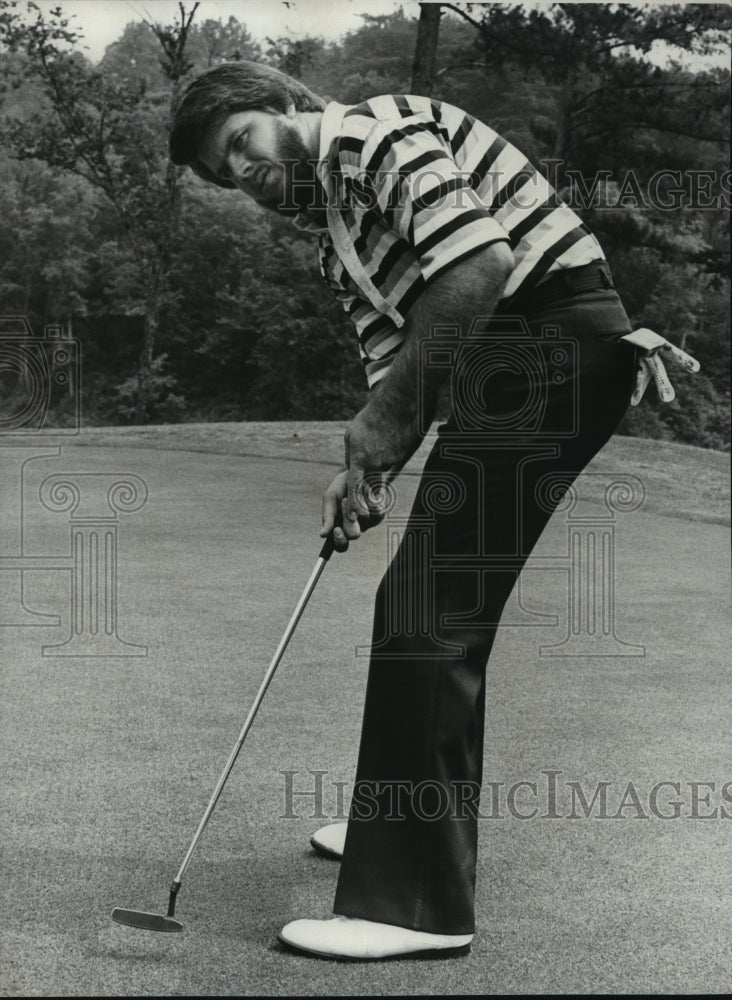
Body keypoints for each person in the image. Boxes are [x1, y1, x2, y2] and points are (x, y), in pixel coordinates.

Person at [169, 61, 699, 961]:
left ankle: (415, 903)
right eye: (229, 177)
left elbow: (478, 260)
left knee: (431, 611)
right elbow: (399, 366)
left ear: (286, 104)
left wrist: (384, 423)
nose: (248, 177)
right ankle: (398, 821)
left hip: (551, 350)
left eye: (242, 145)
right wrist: (366, 466)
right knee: (428, 607)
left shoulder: (375, 133)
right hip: (515, 365)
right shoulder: (334, 236)